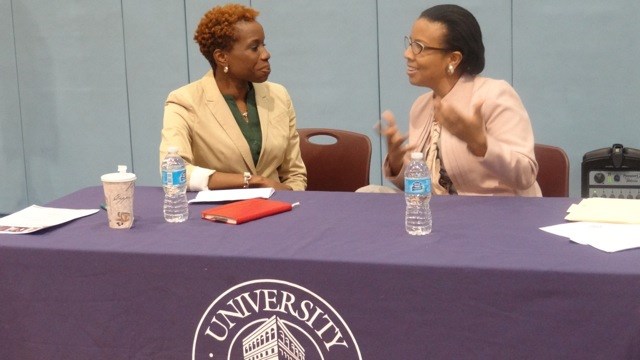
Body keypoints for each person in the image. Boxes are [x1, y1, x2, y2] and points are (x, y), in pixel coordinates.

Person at [377, 4, 541, 196]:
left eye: (418, 47)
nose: (407, 54)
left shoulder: (495, 95)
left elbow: (525, 175)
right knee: (368, 194)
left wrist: (481, 144)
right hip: (439, 214)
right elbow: (425, 187)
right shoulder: (421, 106)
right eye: (410, 43)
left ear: (453, 59)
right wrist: (397, 163)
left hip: (496, 215)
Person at [159, 3, 306, 191]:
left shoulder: (279, 95)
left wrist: (291, 198)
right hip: (218, 214)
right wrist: (253, 181)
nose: (266, 54)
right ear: (222, 57)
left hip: (277, 210)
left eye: (264, 45)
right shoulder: (184, 102)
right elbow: (175, 174)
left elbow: (294, 173)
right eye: (254, 48)